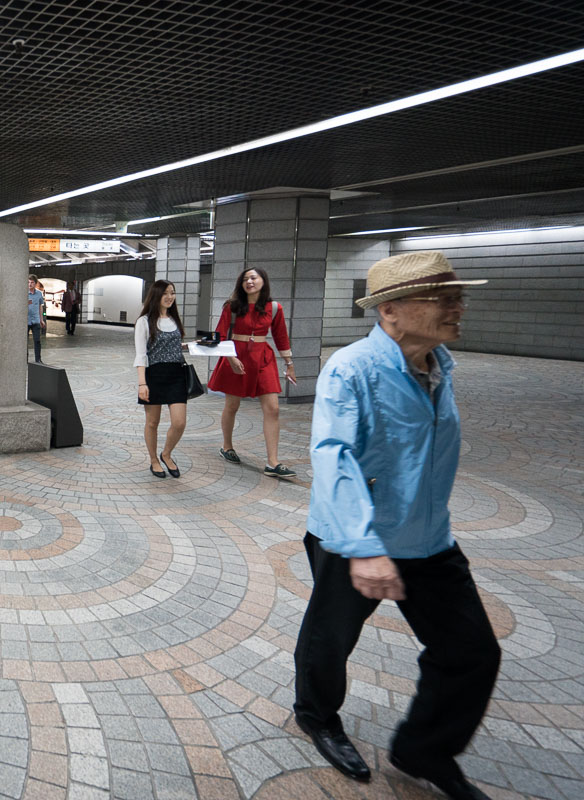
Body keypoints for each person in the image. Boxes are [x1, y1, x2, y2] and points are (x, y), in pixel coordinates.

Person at [293, 251, 498, 800]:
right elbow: (333, 456)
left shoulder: (440, 364)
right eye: (444, 299)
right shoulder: (352, 368)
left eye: (458, 296)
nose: (459, 308)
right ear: (391, 312)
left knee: (472, 652)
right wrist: (363, 546)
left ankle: (423, 750)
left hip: (430, 539)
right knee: (331, 637)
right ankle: (316, 715)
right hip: (354, 536)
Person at [207, 267, 297, 477]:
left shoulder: (274, 308)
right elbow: (220, 335)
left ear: (263, 281)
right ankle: (227, 446)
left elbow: (281, 336)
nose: (250, 282)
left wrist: (289, 363)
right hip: (236, 356)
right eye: (246, 279)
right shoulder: (232, 307)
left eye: (254, 278)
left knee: (273, 408)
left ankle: (272, 462)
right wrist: (231, 359)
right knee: (232, 405)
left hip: (263, 359)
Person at [134, 280, 190, 479]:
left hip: (176, 374)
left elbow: (173, 344)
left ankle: (166, 453)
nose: (169, 297)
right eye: (165, 293)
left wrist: (190, 346)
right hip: (153, 375)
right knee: (152, 422)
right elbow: (141, 355)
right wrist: (142, 383)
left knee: (180, 422)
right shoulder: (144, 321)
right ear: (156, 295)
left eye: (172, 293)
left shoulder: (174, 319)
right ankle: (153, 460)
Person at [27, 275, 46, 363]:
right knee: (24, 341)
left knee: (37, 341)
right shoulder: (23, 293)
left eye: (32, 282)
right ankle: (24, 359)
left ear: (35, 283)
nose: (30, 284)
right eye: (28, 282)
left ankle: (38, 359)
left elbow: (40, 307)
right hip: (26, 321)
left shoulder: (39, 293)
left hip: (36, 320)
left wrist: (41, 319)